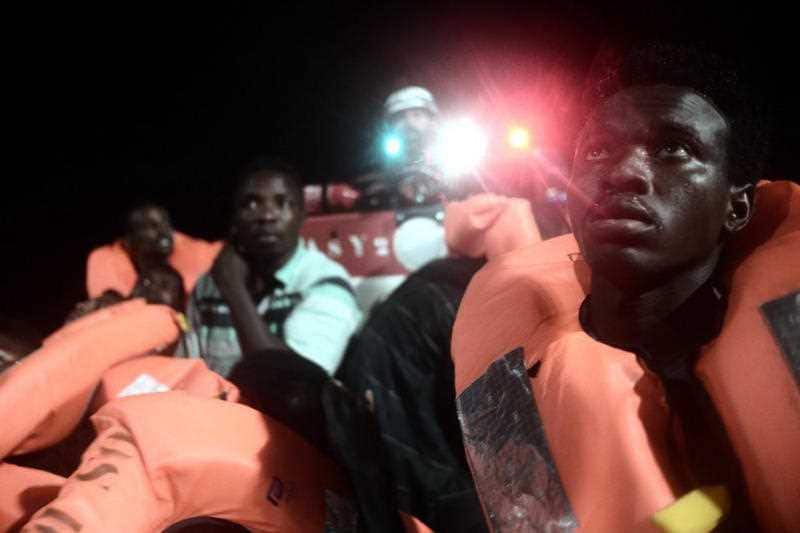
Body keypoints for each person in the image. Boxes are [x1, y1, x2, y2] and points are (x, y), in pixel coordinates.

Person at [451, 43, 798, 532]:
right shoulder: (493, 352)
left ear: (736, 207)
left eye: (674, 149)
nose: (622, 173)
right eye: (597, 151)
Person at [178, 157, 361, 378]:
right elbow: (187, 374)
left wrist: (234, 290)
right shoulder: (207, 288)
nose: (266, 216)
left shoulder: (326, 282)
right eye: (251, 204)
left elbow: (296, 384)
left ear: (302, 215)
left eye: (282, 203)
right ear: (234, 218)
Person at [86, 203, 221, 299]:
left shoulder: (185, 248)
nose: (164, 232)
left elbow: (223, 251)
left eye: (166, 224)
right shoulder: (106, 258)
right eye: (152, 227)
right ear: (128, 240)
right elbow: (114, 307)